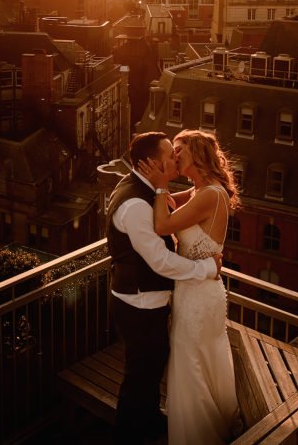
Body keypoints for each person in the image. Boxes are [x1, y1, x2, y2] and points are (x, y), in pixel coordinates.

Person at [107, 131, 223, 445]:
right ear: (153, 163)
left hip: (145, 300)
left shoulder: (143, 190)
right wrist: (206, 268)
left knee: (152, 367)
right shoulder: (136, 205)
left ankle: (149, 422)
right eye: (170, 156)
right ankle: (128, 435)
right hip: (139, 303)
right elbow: (159, 261)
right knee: (139, 376)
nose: (174, 159)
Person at [139, 129, 241, 445]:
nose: (173, 157)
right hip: (200, 290)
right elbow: (169, 206)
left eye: (178, 151)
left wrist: (159, 185)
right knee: (200, 358)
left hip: (198, 295)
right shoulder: (201, 190)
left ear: (194, 154)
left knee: (190, 362)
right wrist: (161, 191)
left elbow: (162, 224)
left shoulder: (210, 194)